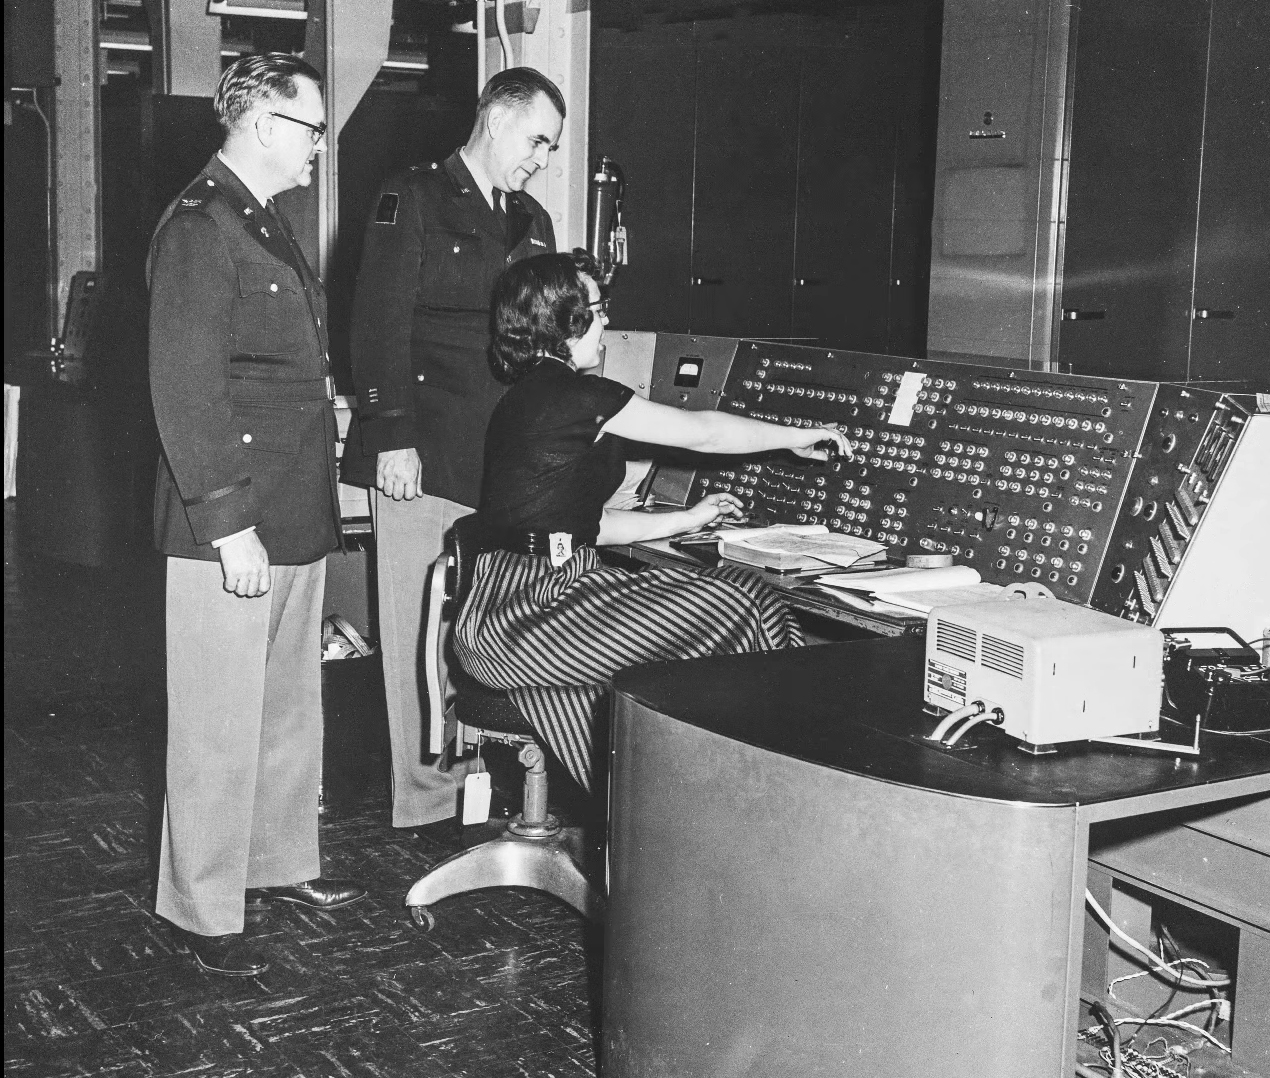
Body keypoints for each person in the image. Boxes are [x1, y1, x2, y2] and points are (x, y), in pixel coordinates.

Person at [452, 252, 854, 791]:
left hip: (520, 604)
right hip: (528, 617)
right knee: (741, 603)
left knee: (739, 600)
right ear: (564, 320)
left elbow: (587, 527)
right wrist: (796, 437)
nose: (606, 322)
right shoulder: (578, 397)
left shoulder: (526, 398)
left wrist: (688, 518)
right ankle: (783, 778)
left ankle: (732, 782)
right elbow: (705, 432)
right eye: (597, 310)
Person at [148, 53, 365, 977]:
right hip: (231, 524)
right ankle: (200, 909)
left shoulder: (261, 219)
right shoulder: (202, 225)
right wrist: (228, 524)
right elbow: (185, 388)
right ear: (265, 125)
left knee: (284, 709)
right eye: (312, 129)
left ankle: (274, 866)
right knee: (215, 723)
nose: (320, 146)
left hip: (291, 507)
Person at [343, 67, 564, 837]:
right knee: (421, 628)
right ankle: (426, 799)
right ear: (497, 120)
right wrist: (390, 436)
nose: (541, 158)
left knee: (477, 628)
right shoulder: (413, 196)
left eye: (551, 147)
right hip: (425, 452)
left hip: (500, 460)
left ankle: (472, 787)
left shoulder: (531, 219)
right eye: (537, 140)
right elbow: (376, 323)